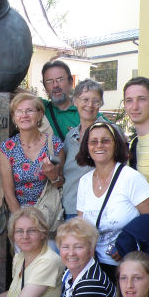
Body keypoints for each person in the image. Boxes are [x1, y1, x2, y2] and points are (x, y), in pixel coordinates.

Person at [76, 121, 149, 275]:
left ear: (116, 144)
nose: (99, 145)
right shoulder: (84, 181)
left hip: (128, 267)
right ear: (87, 147)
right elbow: (81, 227)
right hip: (95, 266)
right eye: (93, 141)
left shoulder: (131, 178)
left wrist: (128, 244)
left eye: (105, 141)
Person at [0, 93, 63, 213]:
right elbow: (8, 193)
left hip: (48, 213)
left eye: (29, 110)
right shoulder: (7, 148)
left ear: (40, 115)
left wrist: (53, 175)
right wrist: (21, 221)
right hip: (19, 214)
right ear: (14, 117)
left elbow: (61, 183)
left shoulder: (54, 144)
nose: (24, 115)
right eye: (19, 111)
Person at [61, 79, 105, 219]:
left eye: (95, 101)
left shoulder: (109, 133)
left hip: (98, 210)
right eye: (85, 99)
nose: (90, 105)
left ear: (101, 104)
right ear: (75, 101)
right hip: (70, 207)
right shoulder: (70, 136)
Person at [41, 60, 79, 141]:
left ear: (71, 81)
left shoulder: (86, 111)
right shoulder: (39, 108)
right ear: (45, 87)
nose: (55, 85)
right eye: (49, 81)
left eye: (60, 79)